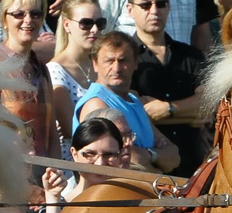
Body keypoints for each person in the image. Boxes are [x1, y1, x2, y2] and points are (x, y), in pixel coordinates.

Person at [124, 0, 206, 173]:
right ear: (130, 10)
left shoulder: (191, 55)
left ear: (169, 7)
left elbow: (207, 106)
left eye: (161, 3)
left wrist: (166, 110)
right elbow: (134, 113)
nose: (154, 11)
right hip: (150, 171)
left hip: (195, 168)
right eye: (145, 5)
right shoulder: (123, 59)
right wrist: (189, 114)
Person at [76, 31, 178, 172]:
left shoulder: (134, 101)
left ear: (135, 63)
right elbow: (128, 163)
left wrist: (148, 155)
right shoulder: (96, 104)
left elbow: (174, 155)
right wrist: (158, 165)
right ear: (95, 64)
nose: (116, 68)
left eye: (123, 60)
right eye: (109, 61)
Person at [0, 0, 59, 158]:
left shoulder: (42, 69)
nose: (28, 20)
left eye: (35, 14)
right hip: (7, 166)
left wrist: (55, 168)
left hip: (45, 170)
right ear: (4, 20)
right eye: (19, 14)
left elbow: (52, 133)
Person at [47, 0, 105, 149]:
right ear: (67, 25)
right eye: (86, 23)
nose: (94, 29)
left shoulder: (103, 64)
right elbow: (70, 129)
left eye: (100, 23)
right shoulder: (55, 70)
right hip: (73, 156)